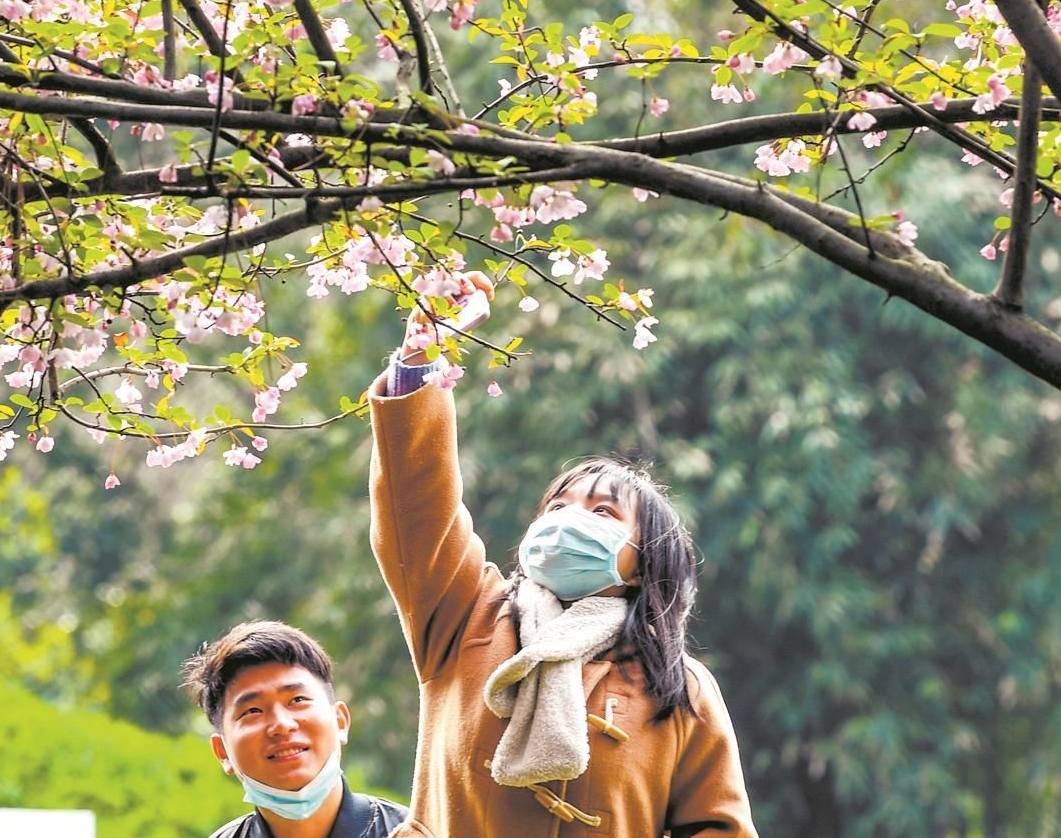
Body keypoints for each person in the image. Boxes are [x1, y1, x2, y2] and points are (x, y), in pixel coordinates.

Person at [367, 271, 757, 836]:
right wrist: (421, 358)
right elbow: (417, 510)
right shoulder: (465, 615)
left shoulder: (679, 686)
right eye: (559, 505)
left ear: (644, 559)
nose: (571, 519)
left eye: (603, 512)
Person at [183, 620, 409, 838]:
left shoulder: (420, 832)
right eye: (252, 711)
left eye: (297, 700)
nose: (281, 725)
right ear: (222, 752)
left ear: (340, 721)